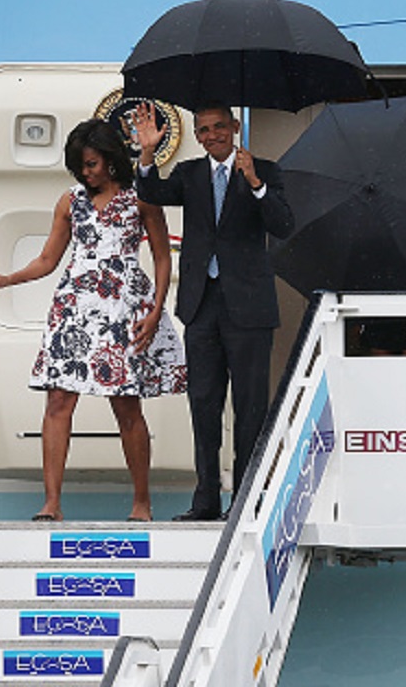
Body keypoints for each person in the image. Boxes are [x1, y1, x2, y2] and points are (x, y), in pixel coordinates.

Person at [0, 118, 185, 522]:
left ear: (109, 159)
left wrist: (156, 310)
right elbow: (48, 260)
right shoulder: (70, 201)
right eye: (80, 166)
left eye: (91, 163)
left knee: (126, 406)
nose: (86, 172)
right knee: (57, 401)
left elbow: (160, 256)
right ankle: (51, 504)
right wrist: (7, 279)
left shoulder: (141, 197)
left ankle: (142, 503)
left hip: (123, 308)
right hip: (74, 307)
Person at [132, 103, 294, 521]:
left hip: (249, 308)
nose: (211, 136)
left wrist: (255, 182)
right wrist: (147, 152)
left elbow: (283, 223)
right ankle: (205, 500)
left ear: (235, 127)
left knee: (250, 408)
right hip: (202, 305)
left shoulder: (265, 170)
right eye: (203, 131)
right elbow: (151, 193)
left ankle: (245, 500)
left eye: (219, 127)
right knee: (203, 405)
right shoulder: (189, 174)